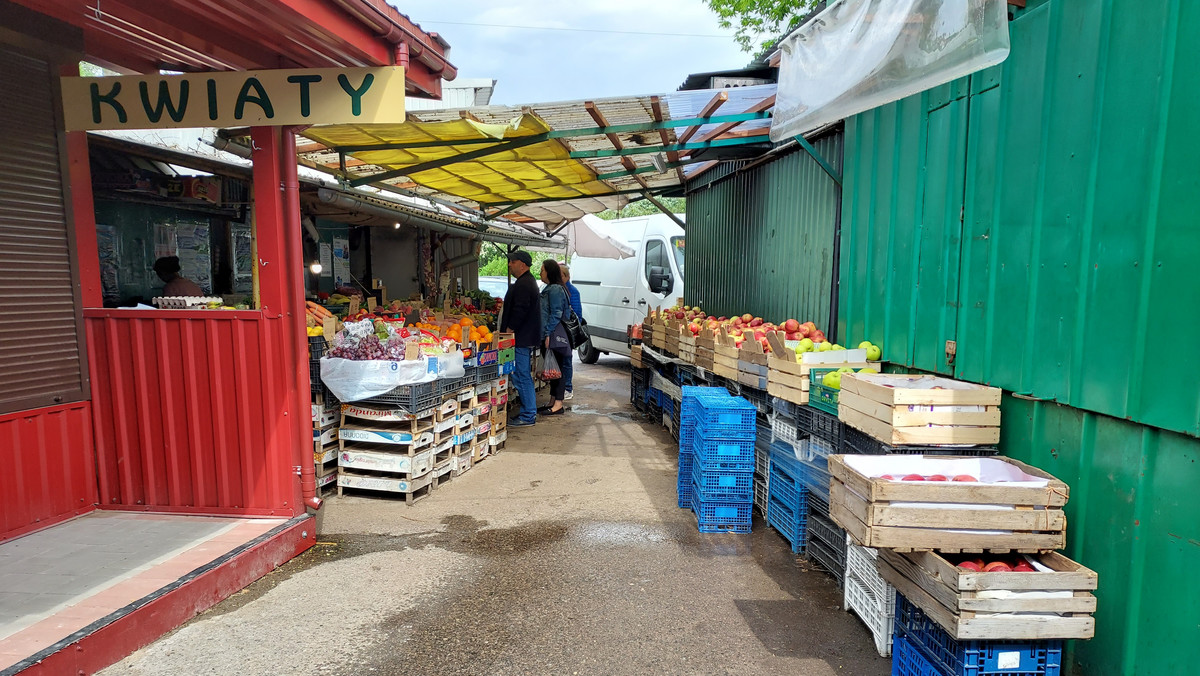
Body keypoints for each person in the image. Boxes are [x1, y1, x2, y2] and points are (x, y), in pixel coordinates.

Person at [499, 250, 541, 427]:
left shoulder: (524, 284)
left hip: (521, 338)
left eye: (512, 262)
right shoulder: (526, 282)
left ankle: (528, 414)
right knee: (522, 375)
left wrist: (510, 329)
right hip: (524, 336)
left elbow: (520, 309)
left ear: (522, 264)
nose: (509, 265)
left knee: (521, 375)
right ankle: (529, 412)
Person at [538, 259, 573, 415]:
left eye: (542, 270)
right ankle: (553, 401)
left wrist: (548, 334)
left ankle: (558, 404)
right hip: (548, 333)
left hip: (553, 335)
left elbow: (556, 313)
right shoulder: (551, 288)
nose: (540, 273)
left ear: (549, 272)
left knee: (557, 369)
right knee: (553, 369)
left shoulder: (555, 290)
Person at [559, 262, 583, 400]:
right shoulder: (559, 289)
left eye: (559, 274)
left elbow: (576, 314)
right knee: (562, 360)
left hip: (567, 331)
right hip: (562, 331)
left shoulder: (572, 291)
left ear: (566, 276)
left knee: (567, 360)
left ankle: (568, 388)